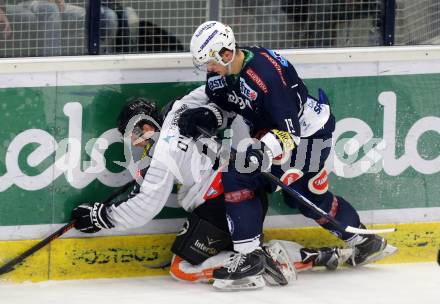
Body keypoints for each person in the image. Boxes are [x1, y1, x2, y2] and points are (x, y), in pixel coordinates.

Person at [178, 21, 395, 287]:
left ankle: (249, 259)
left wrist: (261, 150)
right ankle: (364, 241)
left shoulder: (267, 75)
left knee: (242, 177)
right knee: (303, 196)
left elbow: (289, 133)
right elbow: (227, 105)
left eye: (210, 62)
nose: (208, 69)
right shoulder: (221, 71)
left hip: (307, 136)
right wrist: (208, 115)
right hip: (274, 132)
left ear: (225, 54)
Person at [70, 88, 351, 290]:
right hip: (239, 195)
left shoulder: (162, 152)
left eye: (139, 129)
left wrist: (101, 217)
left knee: (183, 269)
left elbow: (146, 206)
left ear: (150, 121)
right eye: (132, 134)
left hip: (222, 201)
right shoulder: (179, 114)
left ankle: (260, 260)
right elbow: (218, 93)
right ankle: (307, 255)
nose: (139, 138)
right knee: (240, 248)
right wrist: (212, 113)